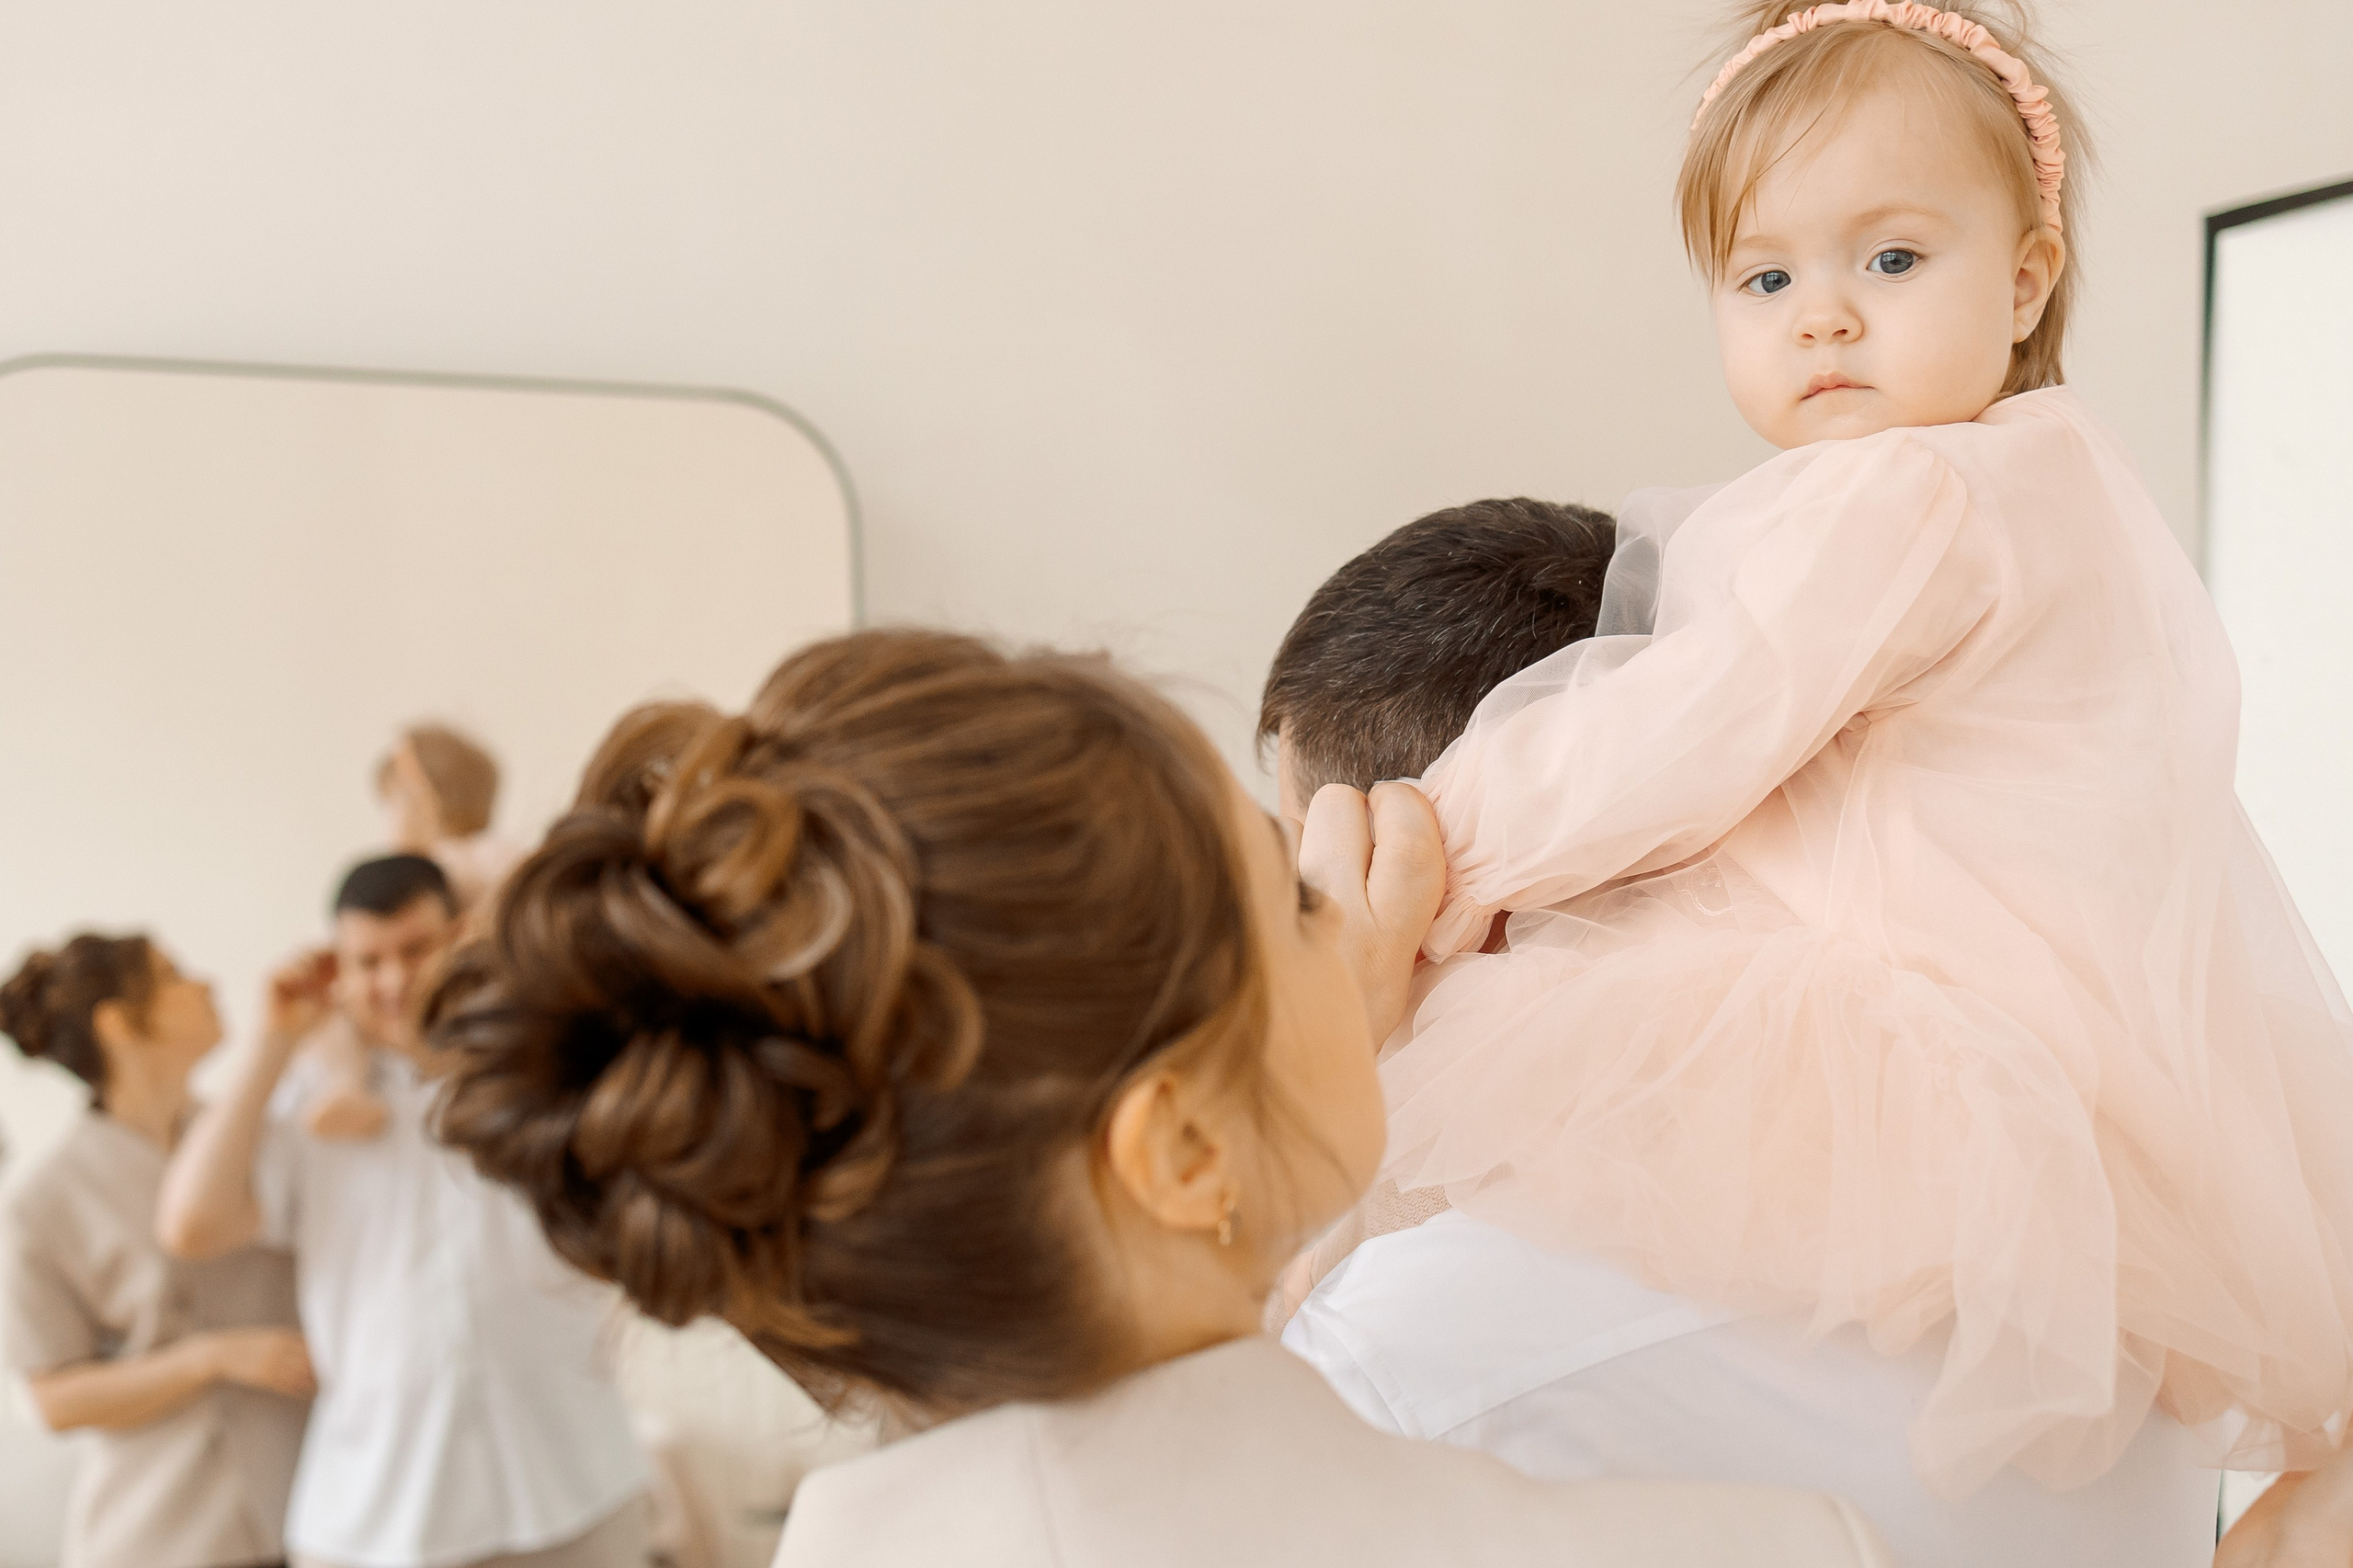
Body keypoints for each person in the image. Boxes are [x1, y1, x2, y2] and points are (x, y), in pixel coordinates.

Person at [1370, 0, 2353, 1531]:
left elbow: (1686, 729)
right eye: (1766, 277)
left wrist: (1435, 841)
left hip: (1914, 1005)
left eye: (1890, 261)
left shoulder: (1905, 495)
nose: (1823, 315)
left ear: (2026, 279)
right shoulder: (2059, 492)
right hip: (2072, 1058)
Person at [419, 627, 1893, 1568]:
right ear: (1180, 1149)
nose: (1348, 903)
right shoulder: (1768, 1545)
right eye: (1296, 902)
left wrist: (1291, 1051)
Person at [1262, 503, 2227, 1562]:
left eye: (1313, 881)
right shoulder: (2100, 1261)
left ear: (1424, 888)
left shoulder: (1411, 1355)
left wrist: (1315, 1079)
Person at [155, 855, 650, 1568]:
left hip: (575, 1484)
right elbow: (190, 1225)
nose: (394, 981)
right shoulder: (309, 1108)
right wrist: (273, 1040)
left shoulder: (540, 1072)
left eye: (415, 950)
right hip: (375, 1519)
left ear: (460, 937)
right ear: (341, 973)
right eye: (368, 962)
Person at [0, 933, 313, 1568]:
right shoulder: (41, 1202)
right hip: (163, 1537)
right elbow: (52, 1399)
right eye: (173, 976)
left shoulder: (255, 1137)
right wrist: (211, 1358)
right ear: (117, 1024)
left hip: (307, 1515)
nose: (206, 985)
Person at [303, 724, 522, 1140]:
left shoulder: (474, 858)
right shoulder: (429, 869)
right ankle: (344, 1086)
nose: (388, 824)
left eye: (392, 805)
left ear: (425, 798)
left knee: (333, 1014)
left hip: (472, 1026)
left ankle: (344, 1084)